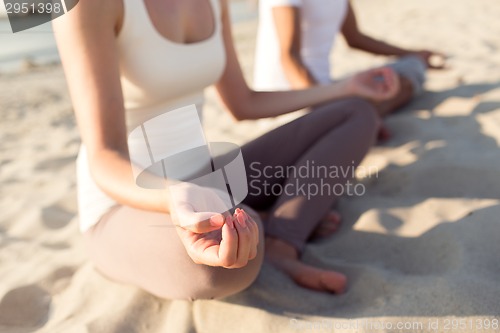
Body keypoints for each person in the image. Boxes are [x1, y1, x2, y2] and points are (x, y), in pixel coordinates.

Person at [53, 0, 399, 300]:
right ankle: (265, 221)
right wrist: (172, 197)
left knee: (355, 112)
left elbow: (243, 103)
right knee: (217, 264)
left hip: (207, 178)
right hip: (125, 201)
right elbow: (103, 156)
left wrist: (344, 88)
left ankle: (281, 241)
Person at [253, 0, 446, 117]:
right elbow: (289, 57)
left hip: (326, 88)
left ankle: (364, 114)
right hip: (288, 96)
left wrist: (413, 53)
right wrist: (319, 103)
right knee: (361, 104)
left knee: (411, 67)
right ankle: (363, 115)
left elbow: (356, 39)